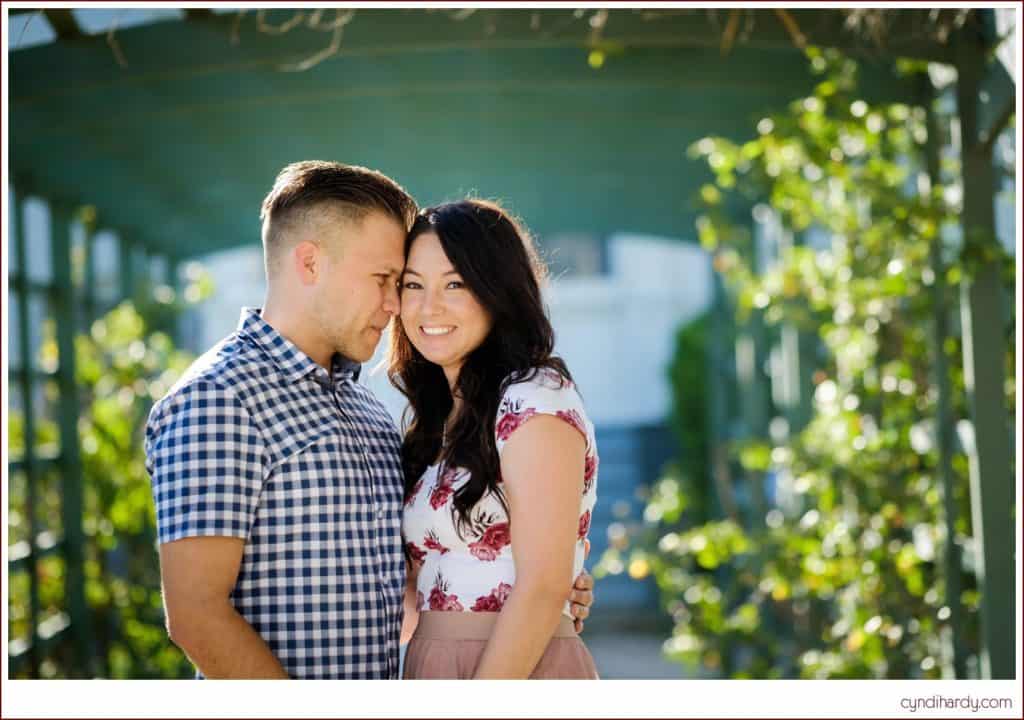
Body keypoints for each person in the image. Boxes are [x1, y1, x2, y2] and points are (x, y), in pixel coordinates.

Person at [144, 162, 595, 679]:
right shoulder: (218, 399)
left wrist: (550, 583)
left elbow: (403, 598)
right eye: (394, 281)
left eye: (398, 283)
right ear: (310, 264)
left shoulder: (370, 413)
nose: (396, 306)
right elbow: (195, 615)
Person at [390, 199, 599, 679]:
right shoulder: (438, 423)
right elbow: (421, 595)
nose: (428, 307)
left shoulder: (535, 399)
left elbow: (544, 588)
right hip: (434, 665)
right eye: (413, 285)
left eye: (455, 284)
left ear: (496, 291)